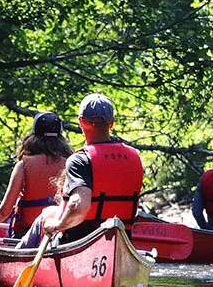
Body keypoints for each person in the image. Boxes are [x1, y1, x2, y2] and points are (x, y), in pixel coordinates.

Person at [18, 93, 144, 248]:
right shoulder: (134, 156)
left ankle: (16, 257)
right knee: (50, 211)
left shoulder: (81, 160)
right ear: (111, 123)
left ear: (81, 122)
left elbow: (79, 205)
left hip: (79, 241)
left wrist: (57, 226)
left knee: (45, 218)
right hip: (120, 240)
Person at [0, 112, 72, 239]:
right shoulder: (72, 164)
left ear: (33, 136)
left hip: (26, 233)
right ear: (60, 137)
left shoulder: (23, 165)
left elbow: (5, 210)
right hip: (59, 233)